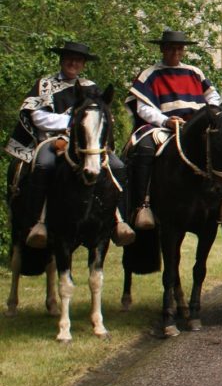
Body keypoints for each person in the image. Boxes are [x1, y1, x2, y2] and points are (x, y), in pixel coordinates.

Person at [5, 41, 133, 248]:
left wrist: (89, 128)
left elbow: (103, 116)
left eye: (78, 60)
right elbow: (37, 117)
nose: (73, 63)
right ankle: (38, 223)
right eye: (69, 59)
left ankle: (119, 221)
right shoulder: (44, 85)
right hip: (51, 139)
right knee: (44, 165)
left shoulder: (90, 87)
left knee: (118, 166)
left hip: (86, 144)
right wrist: (73, 124)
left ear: (83, 64)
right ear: (62, 60)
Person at [125, 30, 222, 229]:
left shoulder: (194, 72)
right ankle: (142, 204)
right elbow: (142, 108)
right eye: (171, 48)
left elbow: (213, 98)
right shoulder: (150, 74)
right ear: (162, 49)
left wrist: (204, 117)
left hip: (194, 128)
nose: (175, 52)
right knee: (145, 148)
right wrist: (165, 121)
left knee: (221, 146)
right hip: (163, 128)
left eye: (179, 48)